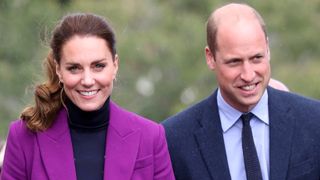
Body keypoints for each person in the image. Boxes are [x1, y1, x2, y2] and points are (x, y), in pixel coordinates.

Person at [1, 13, 174, 180]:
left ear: (115, 65)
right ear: (58, 70)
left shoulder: (151, 137)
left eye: (98, 66)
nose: (87, 80)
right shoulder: (24, 136)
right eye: (74, 68)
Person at [162, 3, 320, 180]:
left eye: (256, 58)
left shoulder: (314, 121)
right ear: (210, 57)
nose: (248, 75)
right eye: (234, 62)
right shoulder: (173, 139)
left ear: (268, 49)